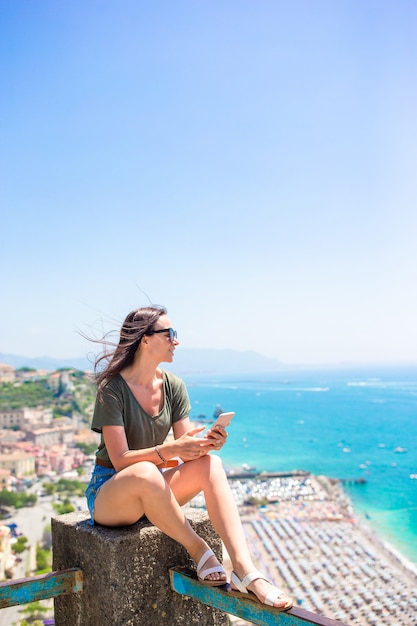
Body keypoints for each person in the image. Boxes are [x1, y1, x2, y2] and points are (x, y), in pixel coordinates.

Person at [85, 305, 292, 610]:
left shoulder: (173, 386)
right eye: (170, 334)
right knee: (144, 472)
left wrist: (208, 443)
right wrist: (171, 450)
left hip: (154, 491)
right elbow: (121, 461)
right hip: (112, 495)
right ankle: (200, 550)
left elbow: (187, 447)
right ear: (145, 340)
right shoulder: (112, 389)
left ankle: (245, 571)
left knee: (211, 465)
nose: (176, 341)